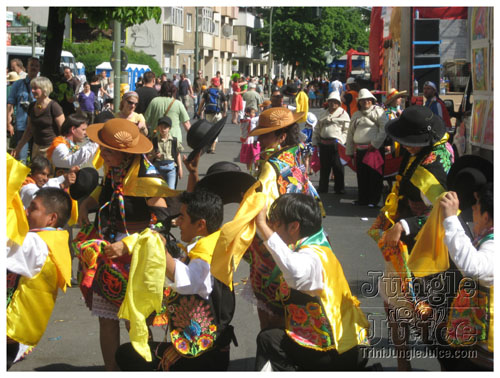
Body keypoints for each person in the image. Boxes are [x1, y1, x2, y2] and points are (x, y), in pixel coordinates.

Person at [76, 118, 178, 371]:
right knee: (106, 320)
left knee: (136, 320)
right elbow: (106, 193)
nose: (102, 154)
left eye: (108, 151)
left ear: (123, 153)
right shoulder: (114, 172)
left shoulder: (147, 178)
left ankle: (143, 369)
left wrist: (129, 245)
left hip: (136, 255)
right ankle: (112, 371)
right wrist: (86, 203)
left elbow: (162, 226)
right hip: (109, 252)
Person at [210, 107, 324, 332]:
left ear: (281, 136)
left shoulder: (271, 167)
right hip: (300, 238)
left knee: (272, 311)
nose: (260, 139)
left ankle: (270, 353)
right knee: (293, 307)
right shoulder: (293, 156)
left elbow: (264, 207)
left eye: (265, 134)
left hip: (274, 243)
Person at [112, 190, 237, 371]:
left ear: (201, 224)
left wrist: (159, 249)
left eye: (183, 218)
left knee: (127, 355)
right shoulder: (213, 243)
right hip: (206, 347)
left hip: (202, 354)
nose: (177, 222)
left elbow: (186, 282)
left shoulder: (206, 254)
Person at [369, 105, 454, 371]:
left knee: (423, 314)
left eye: (409, 143)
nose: (405, 147)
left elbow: (442, 213)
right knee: (393, 305)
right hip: (401, 246)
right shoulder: (425, 152)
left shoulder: (437, 165)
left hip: (425, 248)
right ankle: (403, 364)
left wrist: (405, 224)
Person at [253, 193, 369, 371]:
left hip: (338, 349)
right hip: (347, 343)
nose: (272, 228)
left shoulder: (312, 256)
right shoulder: (317, 244)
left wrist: (261, 225)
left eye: (275, 224)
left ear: (294, 227)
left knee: (268, 339)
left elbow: (296, 274)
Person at [7, 187, 73, 370]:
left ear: (51, 218)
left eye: (33, 208)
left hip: (9, 328)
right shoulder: (54, 239)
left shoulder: (38, 244)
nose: (26, 212)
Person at [439, 183, 493, 371]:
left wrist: (451, 219)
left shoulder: (494, 244)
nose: (472, 211)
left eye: (476, 208)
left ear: (486, 217)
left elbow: (472, 266)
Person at [345, 88, 387, 207]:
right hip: (360, 150)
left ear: (372, 100)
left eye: (368, 100)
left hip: (374, 150)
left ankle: (374, 200)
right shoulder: (356, 115)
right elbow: (350, 133)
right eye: (363, 100)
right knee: (362, 175)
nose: (365, 102)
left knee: (375, 176)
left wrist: (374, 144)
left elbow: (384, 129)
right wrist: (349, 151)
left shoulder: (378, 112)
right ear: (359, 102)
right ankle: (363, 199)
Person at [12, 76, 65, 160]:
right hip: (36, 147)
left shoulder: (54, 106)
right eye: (32, 88)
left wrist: (63, 150)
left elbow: (63, 130)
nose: (32, 91)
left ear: (44, 89)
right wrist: (18, 148)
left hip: (51, 148)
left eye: (36, 88)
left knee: (48, 173)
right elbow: (29, 130)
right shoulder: (32, 106)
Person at [313, 91, 351, 194]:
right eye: (331, 101)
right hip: (324, 144)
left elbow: (347, 130)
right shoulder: (323, 114)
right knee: (324, 167)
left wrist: (341, 140)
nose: (332, 103)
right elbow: (317, 129)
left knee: (338, 167)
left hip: (337, 145)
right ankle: (323, 187)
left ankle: (339, 188)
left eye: (335, 102)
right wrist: (315, 141)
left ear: (339, 103)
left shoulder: (343, 114)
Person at [8, 57, 41, 164]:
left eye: (36, 66)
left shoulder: (42, 85)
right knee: (21, 160)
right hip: (22, 126)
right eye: (32, 65)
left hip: (38, 128)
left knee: (36, 162)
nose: (34, 68)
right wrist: (8, 123)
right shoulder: (18, 84)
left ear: (39, 68)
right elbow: (10, 104)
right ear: (27, 67)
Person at [149, 116, 184, 189]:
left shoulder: (174, 141)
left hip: (170, 168)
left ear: (169, 128)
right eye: (161, 127)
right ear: (158, 127)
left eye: (165, 127)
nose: (163, 129)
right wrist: (154, 156)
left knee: (170, 190)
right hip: (157, 168)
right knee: (158, 190)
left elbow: (177, 154)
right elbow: (148, 157)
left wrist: (180, 168)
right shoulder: (154, 140)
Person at [197, 77, 227, 154]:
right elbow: (225, 102)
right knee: (216, 130)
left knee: (208, 130)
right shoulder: (220, 92)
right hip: (218, 114)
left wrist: (199, 111)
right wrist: (224, 112)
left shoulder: (207, 91)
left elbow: (202, 102)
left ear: (211, 83)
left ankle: (208, 146)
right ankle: (213, 147)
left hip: (208, 114)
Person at [239, 107, 260, 173]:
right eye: (253, 112)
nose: (254, 114)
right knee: (256, 155)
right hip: (253, 139)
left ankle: (248, 169)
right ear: (247, 113)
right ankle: (256, 168)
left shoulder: (242, 120)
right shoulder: (252, 120)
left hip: (246, 140)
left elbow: (240, 114)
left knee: (248, 157)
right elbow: (260, 117)